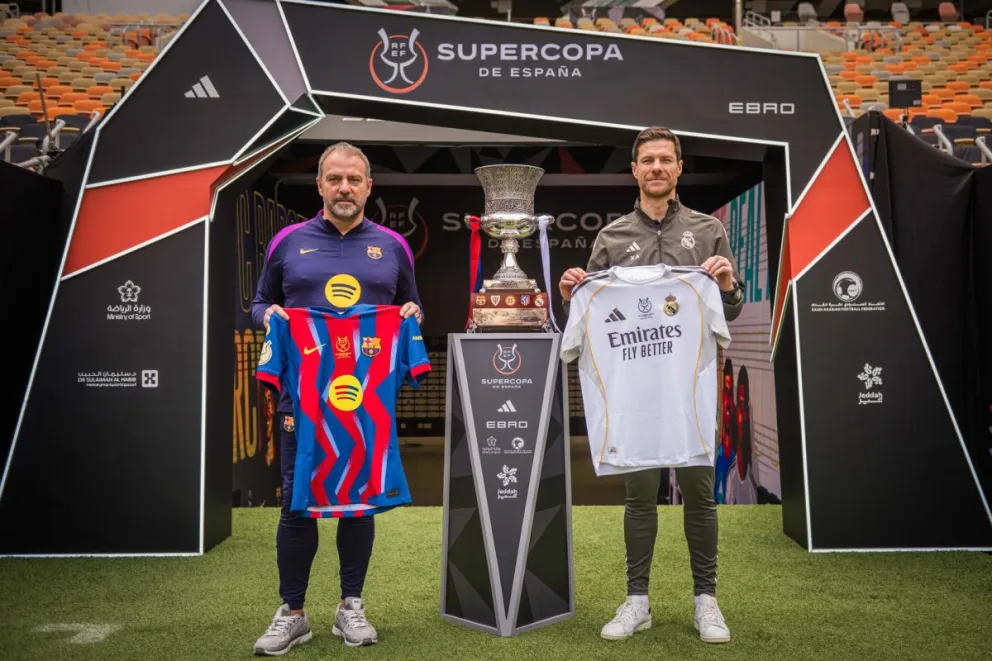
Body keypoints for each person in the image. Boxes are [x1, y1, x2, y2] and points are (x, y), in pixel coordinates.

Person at [558, 126, 744, 645]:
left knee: (701, 495)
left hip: (690, 389)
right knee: (639, 496)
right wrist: (574, 293)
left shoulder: (708, 230)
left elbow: (729, 308)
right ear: (635, 170)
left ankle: (706, 599)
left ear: (679, 167)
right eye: (648, 160)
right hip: (634, 394)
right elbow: (589, 311)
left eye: (666, 159)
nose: (657, 168)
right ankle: (636, 599)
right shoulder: (612, 237)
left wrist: (726, 287)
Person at [250, 142, 423, 656]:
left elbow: (409, 304)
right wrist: (269, 318)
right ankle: (293, 613)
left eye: (353, 179)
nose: (344, 188)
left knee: (357, 503)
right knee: (296, 507)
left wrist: (412, 313)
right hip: (301, 401)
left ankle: (351, 606)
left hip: (363, 400)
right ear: (320, 185)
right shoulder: (288, 242)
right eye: (334, 179)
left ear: (369, 187)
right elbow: (261, 301)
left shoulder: (392, 246)